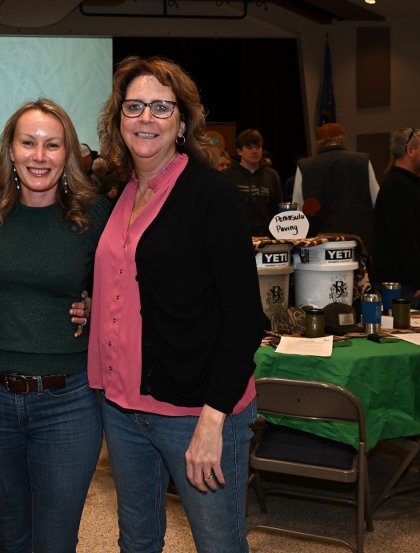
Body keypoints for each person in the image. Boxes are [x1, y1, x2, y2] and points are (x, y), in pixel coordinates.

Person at [90, 56, 264, 553]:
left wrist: (214, 418)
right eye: (135, 106)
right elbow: (133, 280)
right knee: (137, 541)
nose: (146, 118)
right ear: (119, 119)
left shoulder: (212, 195)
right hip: (123, 409)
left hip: (199, 411)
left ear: (182, 123)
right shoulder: (121, 194)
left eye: (161, 107)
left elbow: (245, 317)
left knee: (218, 543)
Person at [0, 98, 110, 553]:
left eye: (52, 144)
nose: (39, 156)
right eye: (28, 143)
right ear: (10, 149)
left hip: (69, 403)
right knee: (10, 539)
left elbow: (127, 285)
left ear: (69, 154)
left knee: (56, 540)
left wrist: (95, 303)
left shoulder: (94, 213)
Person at [374, 128, 420, 312]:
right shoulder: (397, 186)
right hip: (406, 287)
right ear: (410, 150)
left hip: (411, 285)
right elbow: (402, 240)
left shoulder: (408, 184)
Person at [292, 123, 379, 254]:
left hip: (321, 243)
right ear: (341, 139)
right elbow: (377, 199)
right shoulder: (362, 161)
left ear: (318, 143)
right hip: (358, 242)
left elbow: (297, 209)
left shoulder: (305, 166)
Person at [224, 128, 283, 236]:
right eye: (249, 147)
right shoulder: (226, 176)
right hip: (237, 237)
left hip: (268, 238)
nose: (255, 151)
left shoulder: (271, 175)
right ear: (239, 151)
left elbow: (277, 208)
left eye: (258, 147)